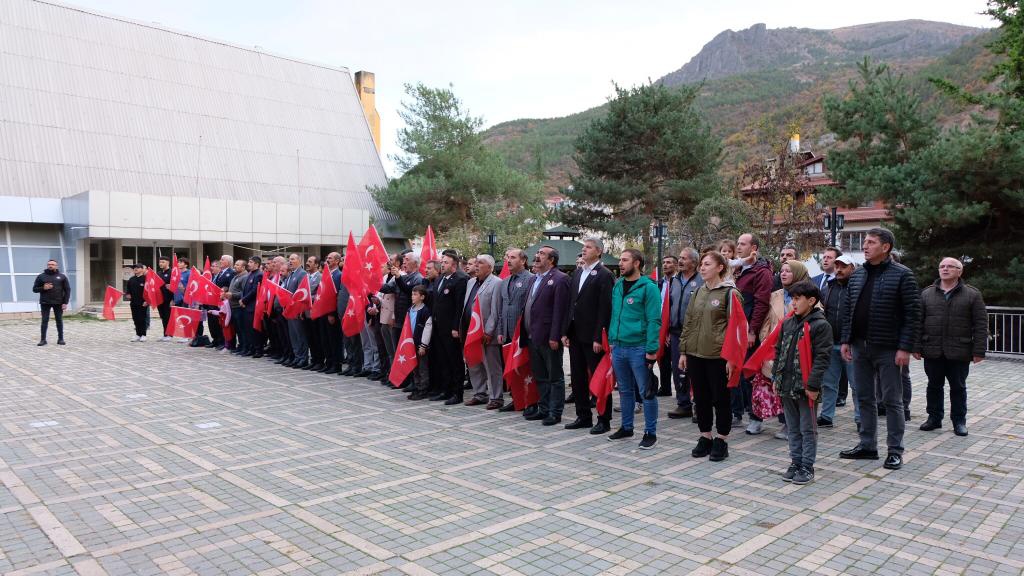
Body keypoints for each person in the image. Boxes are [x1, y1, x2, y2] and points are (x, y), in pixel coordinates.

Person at [840, 227, 920, 471]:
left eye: (871, 242)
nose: (865, 246)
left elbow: (913, 315)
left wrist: (905, 347)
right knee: (864, 397)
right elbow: (848, 310)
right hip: (859, 347)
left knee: (892, 401)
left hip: (888, 349)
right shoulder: (857, 275)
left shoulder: (903, 275)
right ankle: (868, 446)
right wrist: (846, 340)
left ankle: (895, 450)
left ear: (885, 247)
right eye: (864, 242)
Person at [915, 257, 987, 437]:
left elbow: (980, 324)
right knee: (933, 386)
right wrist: (915, 346)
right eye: (942, 266)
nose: (945, 269)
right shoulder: (927, 294)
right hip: (932, 349)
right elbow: (917, 322)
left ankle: (959, 421)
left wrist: (979, 351)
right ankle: (934, 418)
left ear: (959, 271)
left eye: (950, 267)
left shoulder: (972, 294)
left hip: (959, 351)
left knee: (958, 387)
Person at [681, 251, 739, 462]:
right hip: (696, 353)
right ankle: (705, 436)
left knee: (720, 399)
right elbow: (688, 322)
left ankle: (721, 440)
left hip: (718, 356)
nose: (702, 268)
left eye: (707, 264)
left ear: (720, 268)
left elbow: (737, 328)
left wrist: (732, 358)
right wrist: (683, 351)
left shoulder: (730, 293)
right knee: (701, 398)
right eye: (701, 265)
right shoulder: (698, 293)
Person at [773, 281, 833, 485]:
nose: (793, 303)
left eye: (798, 299)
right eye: (792, 299)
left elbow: (822, 358)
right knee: (792, 427)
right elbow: (779, 351)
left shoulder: (820, 325)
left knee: (808, 428)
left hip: (806, 387)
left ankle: (807, 465)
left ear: (811, 300)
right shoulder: (788, 323)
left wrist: (813, 386)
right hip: (787, 384)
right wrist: (776, 378)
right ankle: (795, 462)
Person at [606, 249, 662, 449]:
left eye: (624, 260)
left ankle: (650, 432)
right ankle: (626, 427)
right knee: (624, 390)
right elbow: (615, 314)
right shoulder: (619, 285)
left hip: (639, 348)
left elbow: (655, 320)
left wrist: (651, 349)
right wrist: (612, 338)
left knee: (646, 392)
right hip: (619, 347)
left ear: (636, 263)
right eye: (620, 260)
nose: (620, 264)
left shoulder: (649, 287)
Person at [754, 259, 813, 439]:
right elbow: (766, 323)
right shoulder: (775, 295)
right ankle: (780, 421)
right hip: (774, 349)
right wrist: (765, 341)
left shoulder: (810, 296)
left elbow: (814, 324)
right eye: (782, 271)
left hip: (797, 350)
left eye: (789, 271)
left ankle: (794, 425)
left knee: (793, 387)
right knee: (776, 385)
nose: (784, 274)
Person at [562, 237, 615, 433]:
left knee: (600, 378)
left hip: (593, 337)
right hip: (576, 334)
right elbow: (571, 305)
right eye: (583, 247)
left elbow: (605, 308)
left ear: (599, 251)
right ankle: (583, 415)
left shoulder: (604, 275)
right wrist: (566, 332)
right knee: (577, 378)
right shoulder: (577, 274)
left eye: (588, 247)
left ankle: (604, 419)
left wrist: (598, 337)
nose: (584, 250)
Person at [522, 246, 570, 425]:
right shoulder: (534, 279)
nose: (537, 256)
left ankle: (555, 412)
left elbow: (560, 310)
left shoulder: (560, 279)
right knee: (540, 375)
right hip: (532, 335)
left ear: (551, 260)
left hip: (548, 337)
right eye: (538, 253)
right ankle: (543, 408)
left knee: (555, 376)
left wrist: (555, 336)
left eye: (542, 254)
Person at [733, 234, 773, 429]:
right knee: (737, 373)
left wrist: (753, 330)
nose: (738, 247)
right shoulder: (739, 269)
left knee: (751, 375)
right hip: (735, 331)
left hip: (749, 331)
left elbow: (761, 303)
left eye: (742, 244)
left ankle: (756, 418)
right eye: (737, 243)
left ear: (754, 248)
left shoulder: (761, 272)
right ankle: (740, 412)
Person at [819, 254, 857, 428]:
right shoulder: (828, 289)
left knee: (857, 384)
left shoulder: (858, 288)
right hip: (830, 342)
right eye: (837, 266)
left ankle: (860, 418)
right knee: (828, 384)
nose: (839, 269)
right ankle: (826, 416)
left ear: (852, 268)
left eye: (843, 266)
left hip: (852, 345)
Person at [495, 249, 534, 412]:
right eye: (507, 258)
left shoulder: (531, 279)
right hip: (508, 334)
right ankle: (516, 399)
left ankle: (531, 402)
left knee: (526, 369)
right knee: (512, 369)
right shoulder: (505, 281)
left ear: (523, 261)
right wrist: (500, 331)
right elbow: (502, 308)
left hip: (524, 333)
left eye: (512, 257)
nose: (508, 260)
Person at [667, 247, 703, 420]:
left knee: (695, 370)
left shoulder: (702, 280)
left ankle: (699, 406)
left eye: (684, 258)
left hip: (696, 332)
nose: (680, 261)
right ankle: (683, 404)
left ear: (694, 263)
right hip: (675, 332)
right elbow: (669, 305)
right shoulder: (674, 280)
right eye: (679, 258)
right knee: (678, 368)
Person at [462, 255, 502, 407]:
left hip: (486, 333)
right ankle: (479, 394)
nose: (476, 265)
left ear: (490, 267)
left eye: (480, 263)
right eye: (476, 262)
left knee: (492, 367)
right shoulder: (471, 282)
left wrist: (489, 331)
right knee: (473, 363)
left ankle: (496, 397)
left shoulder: (496, 283)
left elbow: (495, 310)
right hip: (471, 331)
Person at [430, 252, 468, 404]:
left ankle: (457, 393)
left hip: (450, 328)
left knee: (455, 361)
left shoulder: (460, 279)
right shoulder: (440, 278)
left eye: (445, 262)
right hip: (438, 326)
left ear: (454, 265)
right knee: (443, 360)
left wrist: (455, 327)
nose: (442, 264)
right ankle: (446, 390)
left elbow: (459, 306)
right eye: (442, 262)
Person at [406, 285, 435, 400]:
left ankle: (423, 389)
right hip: (411, 344)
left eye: (415, 294)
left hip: (420, 345)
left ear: (422, 297)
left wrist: (423, 345)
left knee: (422, 368)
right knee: (414, 368)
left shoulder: (425, 311)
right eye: (412, 294)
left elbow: (428, 329)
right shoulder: (410, 310)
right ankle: (417, 387)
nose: (412, 296)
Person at [32, 259, 70, 346]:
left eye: (52, 264)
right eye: (49, 264)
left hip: (58, 302)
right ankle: (43, 340)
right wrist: (43, 288)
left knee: (59, 320)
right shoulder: (41, 276)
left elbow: (67, 290)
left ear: (56, 266)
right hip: (45, 302)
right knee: (44, 320)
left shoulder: (62, 277)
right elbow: (34, 289)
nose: (50, 266)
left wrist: (65, 302)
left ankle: (60, 339)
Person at [656, 256, 679, 397]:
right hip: (660, 326)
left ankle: (681, 390)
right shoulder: (659, 284)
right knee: (662, 358)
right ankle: (665, 388)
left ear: (676, 265)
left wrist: (670, 330)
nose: (665, 265)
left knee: (676, 361)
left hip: (674, 327)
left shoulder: (679, 282)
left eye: (669, 262)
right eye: (663, 262)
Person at [283, 253, 309, 368]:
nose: (290, 261)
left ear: (299, 260)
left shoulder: (302, 274)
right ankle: (297, 356)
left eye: (293, 259)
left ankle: (303, 358)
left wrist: (300, 310)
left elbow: (302, 293)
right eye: (289, 259)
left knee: (300, 335)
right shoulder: (291, 274)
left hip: (297, 310)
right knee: (293, 335)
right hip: (290, 309)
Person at [238, 256, 263, 357]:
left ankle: (258, 349)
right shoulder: (250, 274)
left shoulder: (259, 275)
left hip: (252, 306)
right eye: (249, 262)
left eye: (251, 262)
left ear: (257, 264)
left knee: (254, 330)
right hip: (246, 305)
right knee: (248, 329)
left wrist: (244, 300)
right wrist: (242, 299)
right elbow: (245, 290)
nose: (249, 264)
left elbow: (254, 291)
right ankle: (251, 348)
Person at [210, 255, 236, 350]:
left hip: (225, 302)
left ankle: (228, 343)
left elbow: (231, 286)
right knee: (219, 322)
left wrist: (226, 289)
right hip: (218, 300)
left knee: (226, 322)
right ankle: (220, 341)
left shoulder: (231, 272)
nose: (220, 261)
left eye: (222, 260)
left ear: (228, 262)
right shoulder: (221, 272)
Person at [226, 259, 248, 352]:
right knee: (237, 328)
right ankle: (240, 346)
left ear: (243, 267)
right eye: (235, 264)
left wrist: (233, 295)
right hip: (233, 306)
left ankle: (244, 347)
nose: (235, 266)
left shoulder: (245, 277)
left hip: (239, 307)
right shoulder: (235, 276)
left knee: (242, 329)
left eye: (238, 265)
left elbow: (244, 292)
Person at [124, 263, 148, 341]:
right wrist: (128, 294)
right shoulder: (131, 279)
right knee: (135, 318)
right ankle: (137, 334)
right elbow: (128, 290)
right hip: (133, 303)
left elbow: (149, 292)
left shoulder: (146, 279)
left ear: (142, 269)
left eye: (137, 267)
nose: (135, 269)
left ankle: (143, 334)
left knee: (142, 318)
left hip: (143, 303)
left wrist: (147, 301)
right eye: (134, 268)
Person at [155, 255, 174, 338]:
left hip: (168, 299)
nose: (161, 264)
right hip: (160, 299)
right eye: (160, 262)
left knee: (168, 317)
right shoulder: (158, 273)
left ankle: (169, 334)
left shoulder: (172, 272)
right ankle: (165, 334)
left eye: (163, 262)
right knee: (163, 317)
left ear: (168, 263)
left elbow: (175, 287)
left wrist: (173, 299)